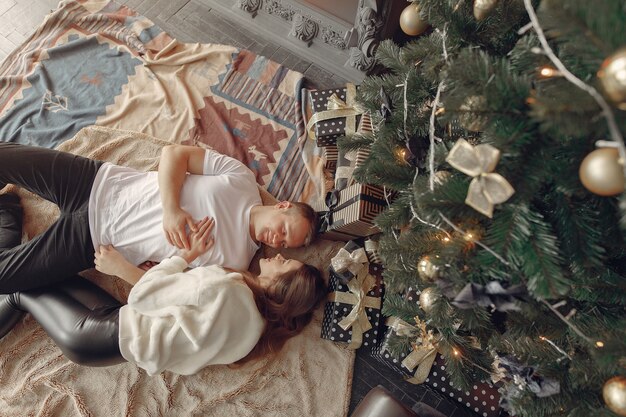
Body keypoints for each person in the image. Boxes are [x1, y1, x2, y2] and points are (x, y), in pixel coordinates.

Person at [0, 207, 326, 375]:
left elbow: (146, 294)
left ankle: (7, 218)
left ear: (282, 287)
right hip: (118, 333)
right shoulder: (254, 337)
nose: (281, 255)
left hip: (97, 336)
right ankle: (8, 219)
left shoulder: (231, 289)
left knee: (19, 289)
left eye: (286, 264)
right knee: (45, 272)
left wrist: (185, 256)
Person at [0, 143, 318, 293]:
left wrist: (140, 271)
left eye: (284, 244)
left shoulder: (237, 264)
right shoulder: (241, 179)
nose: (276, 241)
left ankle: (7, 211)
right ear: (282, 206)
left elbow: (175, 288)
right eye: (284, 230)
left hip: (93, 242)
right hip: (95, 182)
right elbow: (173, 155)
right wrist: (171, 210)